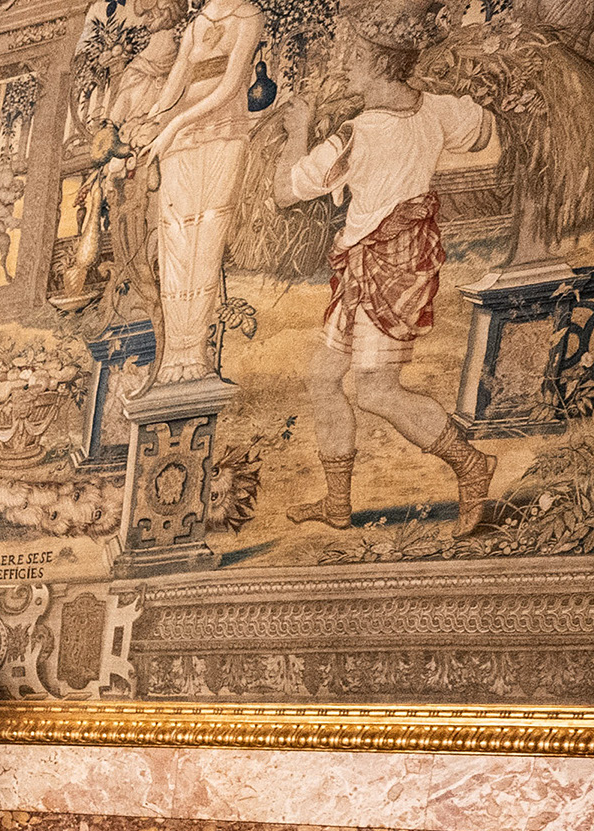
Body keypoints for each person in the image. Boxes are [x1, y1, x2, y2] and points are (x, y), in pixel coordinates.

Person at [271, 25, 504, 530]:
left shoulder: (357, 134)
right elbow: (487, 130)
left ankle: (471, 464)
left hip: (384, 272)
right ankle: (336, 505)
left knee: (375, 390)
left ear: (379, 64)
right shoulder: (435, 108)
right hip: (378, 267)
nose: (346, 65)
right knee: (322, 376)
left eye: (354, 56)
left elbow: (285, 192)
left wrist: (297, 131)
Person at [138, 0, 267, 382]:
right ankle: (174, 352)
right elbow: (175, 85)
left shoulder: (248, 17)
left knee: (205, 238)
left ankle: (194, 351)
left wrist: (173, 126)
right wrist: (147, 124)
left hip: (222, 134)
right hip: (178, 141)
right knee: (175, 240)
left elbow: (229, 88)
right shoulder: (197, 24)